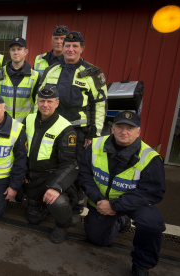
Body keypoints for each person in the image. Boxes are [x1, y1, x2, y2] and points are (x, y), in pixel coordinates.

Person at [79, 111, 165, 276]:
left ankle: (141, 265)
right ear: (112, 128)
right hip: (102, 202)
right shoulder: (95, 146)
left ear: (138, 131)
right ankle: (120, 221)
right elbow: (84, 176)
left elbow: (153, 192)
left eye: (130, 128)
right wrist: (99, 200)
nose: (123, 132)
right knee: (96, 239)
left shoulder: (150, 157)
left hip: (134, 204)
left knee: (151, 223)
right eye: (120, 127)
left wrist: (115, 206)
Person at [38, 31, 107, 224]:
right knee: (52, 164)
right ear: (61, 47)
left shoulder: (92, 72)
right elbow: (41, 98)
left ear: (82, 49)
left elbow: (100, 104)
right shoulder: (51, 70)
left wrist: (93, 133)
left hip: (78, 130)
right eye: (67, 45)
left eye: (75, 46)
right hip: (53, 127)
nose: (70, 49)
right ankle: (53, 200)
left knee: (75, 168)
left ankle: (76, 205)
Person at [22, 85, 78, 243]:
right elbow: (21, 149)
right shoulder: (29, 118)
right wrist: (21, 172)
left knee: (57, 201)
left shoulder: (66, 128)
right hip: (32, 176)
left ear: (57, 103)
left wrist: (55, 187)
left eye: (49, 101)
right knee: (33, 219)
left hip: (51, 177)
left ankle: (63, 224)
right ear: (37, 102)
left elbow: (70, 164)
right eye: (42, 101)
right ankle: (42, 206)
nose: (45, 105)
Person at [0, 37, 40, 123]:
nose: (16, 52)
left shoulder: (35, 76)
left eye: (19, 49)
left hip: (25, 124)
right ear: (9, 52)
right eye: (13, 50)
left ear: (26, 52)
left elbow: (38, 103)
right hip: (2, 123)